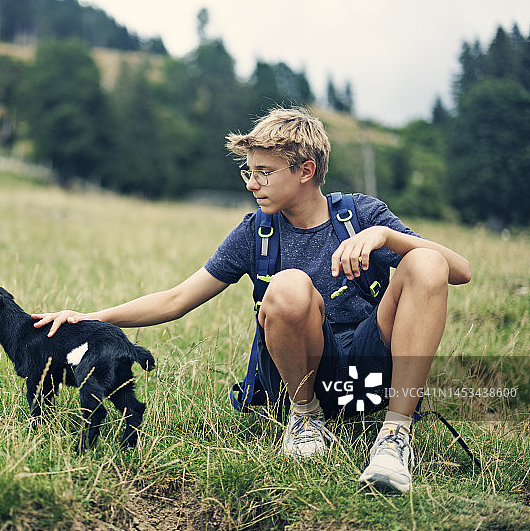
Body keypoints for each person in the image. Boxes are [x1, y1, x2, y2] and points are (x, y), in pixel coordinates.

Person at [32, 107, 471, 493]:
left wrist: (385, 236)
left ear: (306, 170)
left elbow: (460, 271)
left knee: (426, 262)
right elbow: (176, 299)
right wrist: (87, 319)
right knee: (289, 285)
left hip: (368, 377)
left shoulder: (361, 215)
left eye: (264, 172)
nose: (252, 184)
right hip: (297, 381)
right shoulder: (254, 232)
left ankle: (395, 437)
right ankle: (306, 420)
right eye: (249, 172)